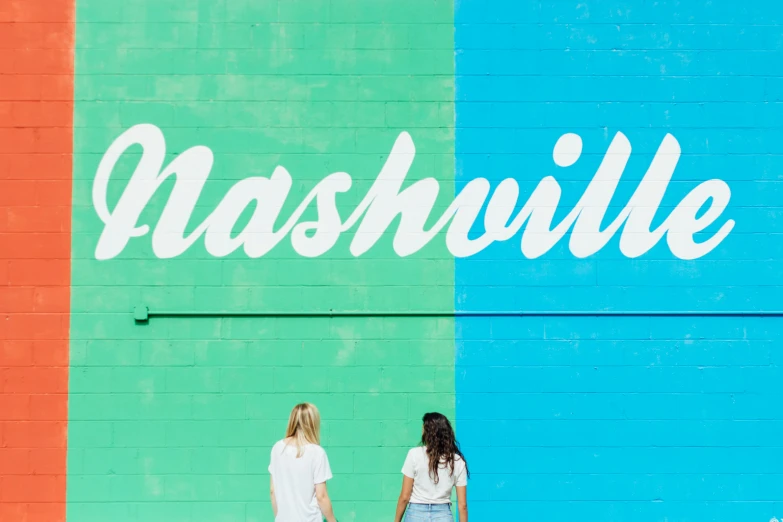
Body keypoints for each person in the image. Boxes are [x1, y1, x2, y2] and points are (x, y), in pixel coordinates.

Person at [268, 403, 338, 522]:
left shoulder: (277, 448)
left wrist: (279, 517)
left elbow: (272, 491)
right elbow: (321, 496)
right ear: (313, 423)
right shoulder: (317, 453)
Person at [394, 412, 470, 522]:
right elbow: (462, 505)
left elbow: (405, 496)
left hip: (416, 514)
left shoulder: (414, 454)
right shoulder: (457, 461)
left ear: (428, 432)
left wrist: (396, 520)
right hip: (443, 515)